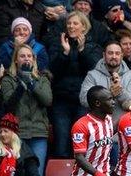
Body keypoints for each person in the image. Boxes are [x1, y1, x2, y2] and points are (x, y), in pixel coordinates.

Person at [0, 44, 52, 176]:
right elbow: (8, 105)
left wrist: (31, 82)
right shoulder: (8, 79)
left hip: (38, 134)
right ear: (16, 59)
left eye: (29, 56)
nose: (26, 59)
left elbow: (47, 100)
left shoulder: (42, 78)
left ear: (34, 59)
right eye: (22, 56)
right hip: (17, 135)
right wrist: (21, 84)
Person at [49, 11, 102, 158]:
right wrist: (65, 53)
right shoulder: (58, 44)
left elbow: (95, 69)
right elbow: (52, 70)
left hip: (83, 102)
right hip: (61, 100)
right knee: (61, 143)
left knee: (79, 144)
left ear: (84, 27)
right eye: (69, 24)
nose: (71, 26)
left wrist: (82, 50)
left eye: (75, 23)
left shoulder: (93, 47)